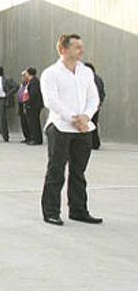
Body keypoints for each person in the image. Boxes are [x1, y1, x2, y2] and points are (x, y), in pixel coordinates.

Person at [40, 34, 102, 226]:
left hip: (83, 129)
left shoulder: (86, 72)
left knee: (78, 172)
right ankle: (51, 211)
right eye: (77, 47)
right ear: (63, 49)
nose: (81, 50)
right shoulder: (51, 73)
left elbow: (94, 98)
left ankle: (78, 210)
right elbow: (51, 101)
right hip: (60, 127)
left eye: (81, 47)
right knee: (56, 170)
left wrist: (86, 117)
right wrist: (73, 119)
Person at [84, 62, 106, 150]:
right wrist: (100, 103)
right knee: (94, 123)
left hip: (88, 106)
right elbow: (102, 92)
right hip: (96, 106)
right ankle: (95, 143)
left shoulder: (88, 79)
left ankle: (91, 143)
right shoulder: (98, 78)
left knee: (88, 124)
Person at [24, 67, 44, 145]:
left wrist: (28, 103)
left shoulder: (34, 81)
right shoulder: (30, 81)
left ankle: (36, 139)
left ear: (29, 73)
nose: (25, 74)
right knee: (32, 122)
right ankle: (34, 138)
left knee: (34, 123)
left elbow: (33, 94)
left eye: (26, 73)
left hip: (33, 105)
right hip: (32, 105)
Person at [17, 70, 30, 143]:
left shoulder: (29, 84)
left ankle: (30, 136)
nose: (22, 78)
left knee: (27, 121)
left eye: (24, 76)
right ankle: (26, 137)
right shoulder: (22, 85)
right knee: (23, 122)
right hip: (20, 104)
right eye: (22, 76)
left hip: (26, 104)